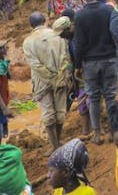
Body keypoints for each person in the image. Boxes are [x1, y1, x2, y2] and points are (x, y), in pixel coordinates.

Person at [72, 0, 118, 145]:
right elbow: (115, 33)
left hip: (90, 62)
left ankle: (97, 133)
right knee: (111, 95)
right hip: (110, 58)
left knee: (93, 96)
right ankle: (113, 131)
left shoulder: (79, 15)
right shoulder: (108, 10)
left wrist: (77, 66)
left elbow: (79, 44)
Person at [22, 12, 71, 149]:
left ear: (31, 25)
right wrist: (58, 76)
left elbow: (35, 65)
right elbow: (65, 57)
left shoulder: (28, 42)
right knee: (60, 111)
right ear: (45, 21)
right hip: (60, 78)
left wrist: (49, 76)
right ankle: (59, 140)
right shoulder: (57, 35)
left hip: (41, 81)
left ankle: (54, 146)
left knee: (48, 113)